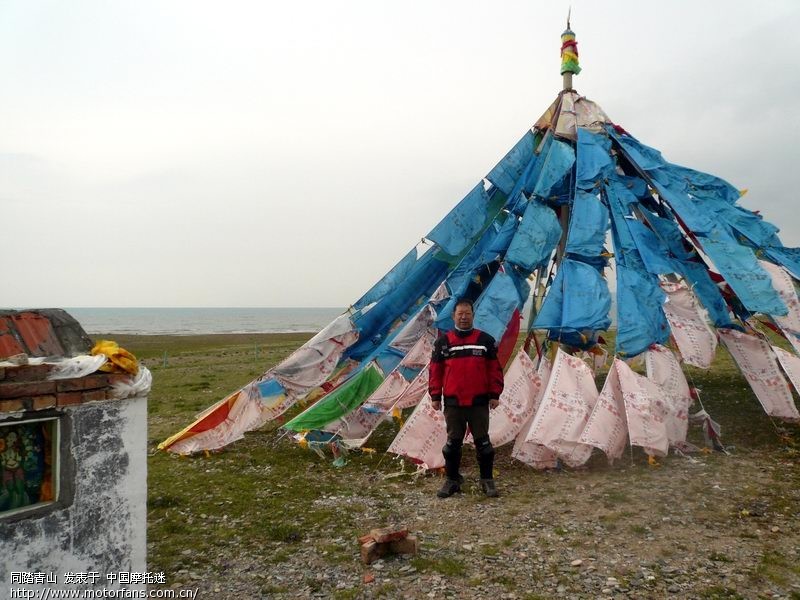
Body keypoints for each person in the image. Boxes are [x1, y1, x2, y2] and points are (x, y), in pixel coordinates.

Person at [429, 298, 504, 498]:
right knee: (452, 445)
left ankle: (487, 480)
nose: (464, 317)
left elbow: (494, 369)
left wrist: (495, 394)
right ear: (453, 316)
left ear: (473, 315)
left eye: (467, 314)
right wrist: (435, 396)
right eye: (460, 314)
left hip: (478, 402)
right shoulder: (443, 343)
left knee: (484, 445)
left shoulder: (485, 341)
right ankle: (452, 480)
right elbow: (435, 371)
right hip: (453, 403)